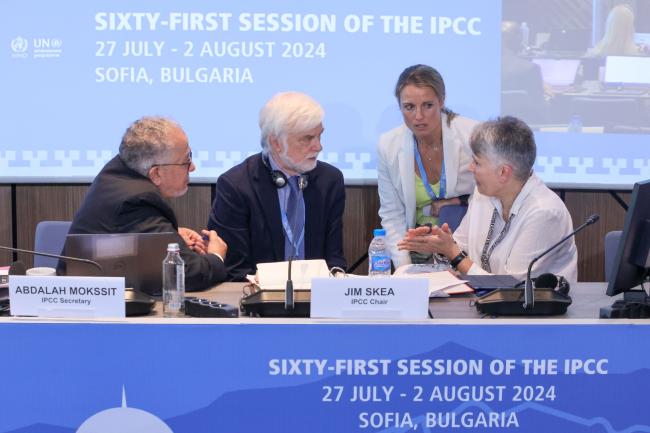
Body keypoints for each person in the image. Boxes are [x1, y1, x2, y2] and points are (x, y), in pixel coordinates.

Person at [397, 116, 578, 285]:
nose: (470, 167)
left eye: (477, 162)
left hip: (536, 316)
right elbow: (460, 248)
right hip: (484, 307)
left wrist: (452, 252)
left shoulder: (544, 213)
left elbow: (513, 288)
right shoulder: (482, 194)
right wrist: (441, 244)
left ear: (503, 172)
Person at [63, 116, 228, 291]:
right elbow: (186, 274)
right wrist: (216, 256)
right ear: (156, 173)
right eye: (185, 161)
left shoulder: (118, 171)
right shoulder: (138, 201)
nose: (192, 167)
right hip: (87, 307)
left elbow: (118, 234)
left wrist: (160, 238)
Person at [208, 91, 346, 281]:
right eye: (307, 138)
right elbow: (234, 269)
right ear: (276, 143)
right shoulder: (236, 186)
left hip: (318, 300)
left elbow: (334, 257)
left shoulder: (330, 180)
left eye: (319, 136)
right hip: (258, 301)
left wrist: (337, 277)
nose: (318, 146)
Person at [377, 64, 478, 269]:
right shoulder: (388, 145)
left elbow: (493, 197)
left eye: (428, 105)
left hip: (467, 249)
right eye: (409, 107)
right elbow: (392, 214)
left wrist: (458, 201)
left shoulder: (473, 136)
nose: (419, 116)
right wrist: (404, 269)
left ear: (441, 101)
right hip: (418, 251)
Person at [500, 21, 547, 124]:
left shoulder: (481, 66)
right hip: (522, 130)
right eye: (520, 36)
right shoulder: (530, 68)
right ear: (516, 39)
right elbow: (540, 110)